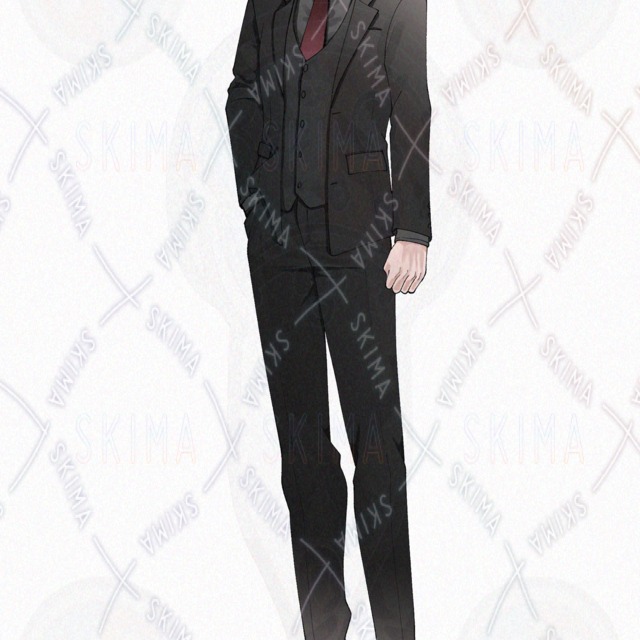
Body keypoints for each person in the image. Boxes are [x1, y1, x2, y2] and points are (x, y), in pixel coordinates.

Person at [226, 0, 431, 637]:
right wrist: (254, 193)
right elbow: (241, 91)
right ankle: (323, 624)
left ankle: (395, 628)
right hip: (277, 245)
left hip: (361, 239)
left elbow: (412, 103)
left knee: (377, 444)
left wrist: (413, 229)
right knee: (302, 449)